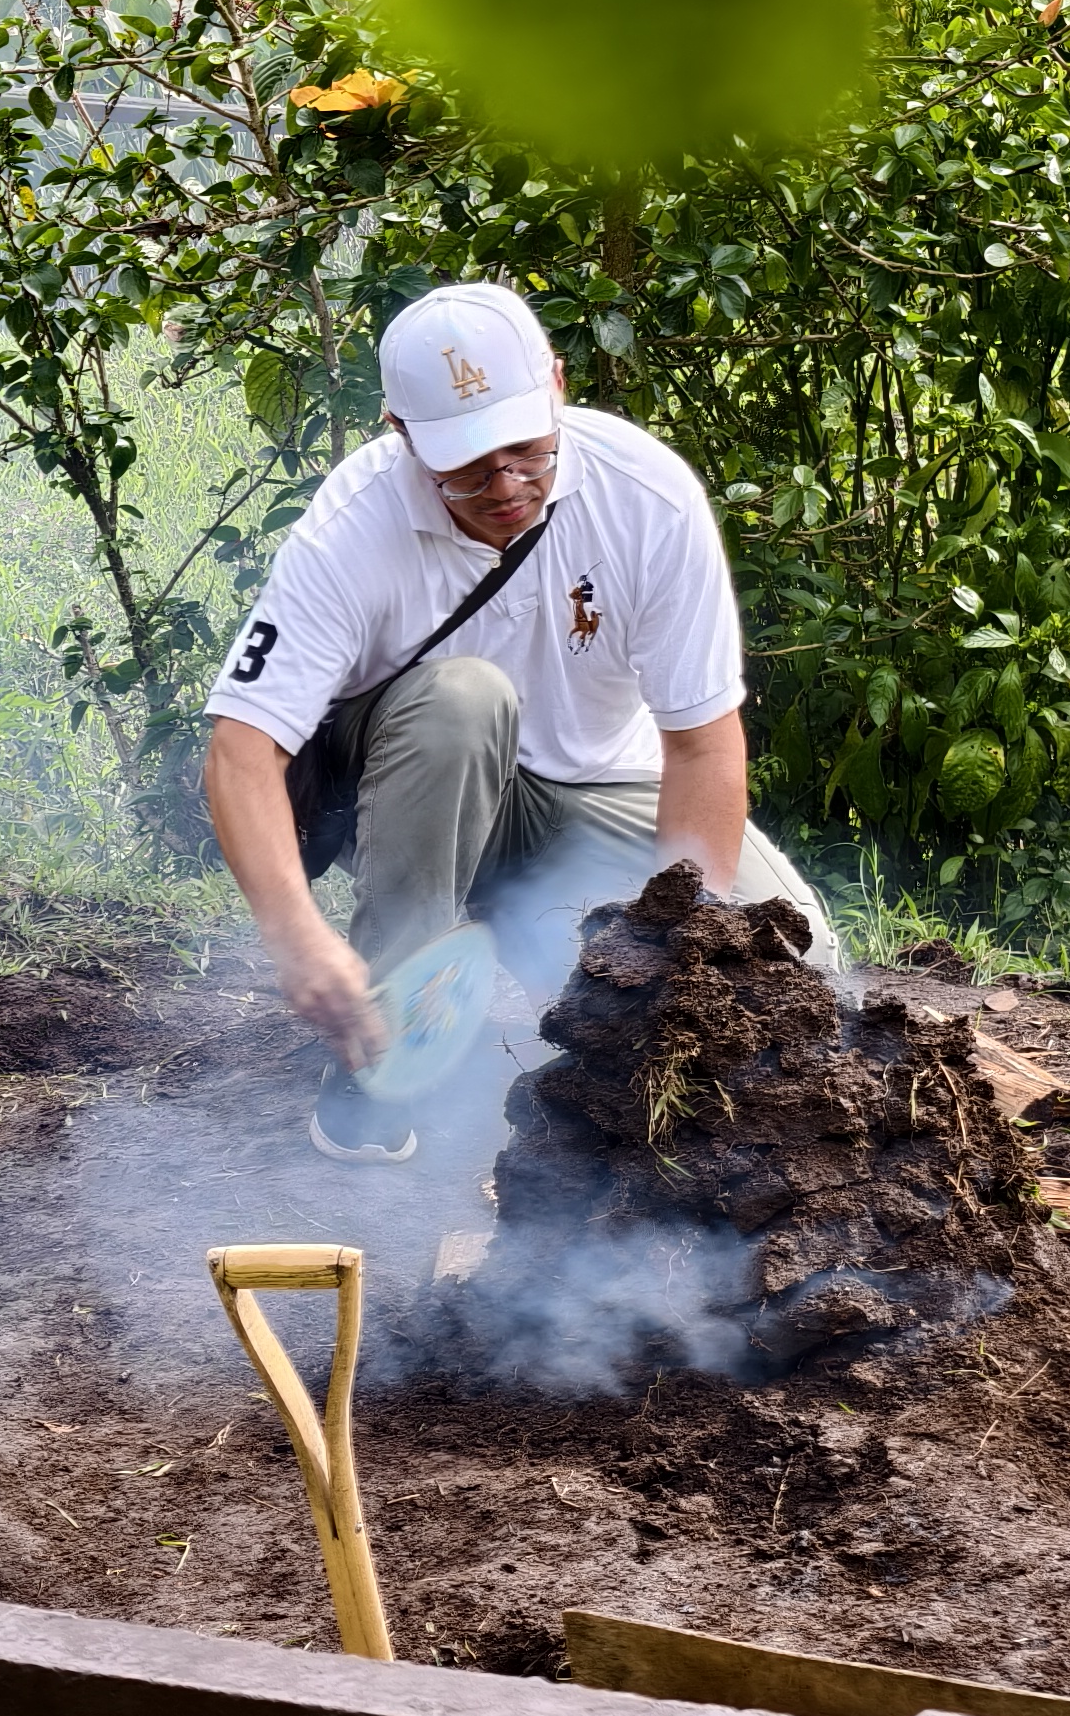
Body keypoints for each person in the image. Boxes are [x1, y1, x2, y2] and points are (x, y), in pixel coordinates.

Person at [204, 279, 838, 1163]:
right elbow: (239, 753)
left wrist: (679, 955)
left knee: (793, 976)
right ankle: (379, 1069)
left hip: (594, 791)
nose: (505, 485)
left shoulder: (646, 496)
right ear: (400, 435)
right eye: (466, 466)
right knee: (463, 698)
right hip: (419, 786)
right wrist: (296, 939)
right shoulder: (349, 531)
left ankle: (542, 949)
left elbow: (700, 742)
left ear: (559, 387)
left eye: (527, 451)